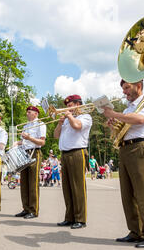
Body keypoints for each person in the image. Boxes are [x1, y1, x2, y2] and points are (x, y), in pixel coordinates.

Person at [103, 79, 144, 248]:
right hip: (125, 148)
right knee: (127, 194)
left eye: (127, 87)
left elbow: (141, 120)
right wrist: (113, 125)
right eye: (123, 88)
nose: (124, 92)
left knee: (143, 192)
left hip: (141, 147)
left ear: (138, 86)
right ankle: (136, 231)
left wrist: (114, 115)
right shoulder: (128, 109)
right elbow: (121, 131)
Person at [54, 94, 92, 230]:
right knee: (67, 188)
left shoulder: (85, 117)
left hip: (77, 153)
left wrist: (69, 116)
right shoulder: (65, 121)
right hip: (64, 154)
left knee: (78, 187)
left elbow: (77, 126)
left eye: (70, 106)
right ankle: (69, 217)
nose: (67, 109)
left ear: (78, 105)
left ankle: (80, 219)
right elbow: (56, 135)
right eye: (67, 107)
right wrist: (59, 123)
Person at [15, 106, 46, 219]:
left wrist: (29, 138)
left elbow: (42, 142)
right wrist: (16, 143)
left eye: (29, 112)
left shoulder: (41, 124)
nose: (27, 114)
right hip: (24, 152)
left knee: (33, 183)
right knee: (24, 183)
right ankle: (26, 208)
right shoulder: (25, 126)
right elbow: (23, 142)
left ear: (35, 114)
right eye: (27, 112)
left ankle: (33, 210)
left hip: (34, 152)